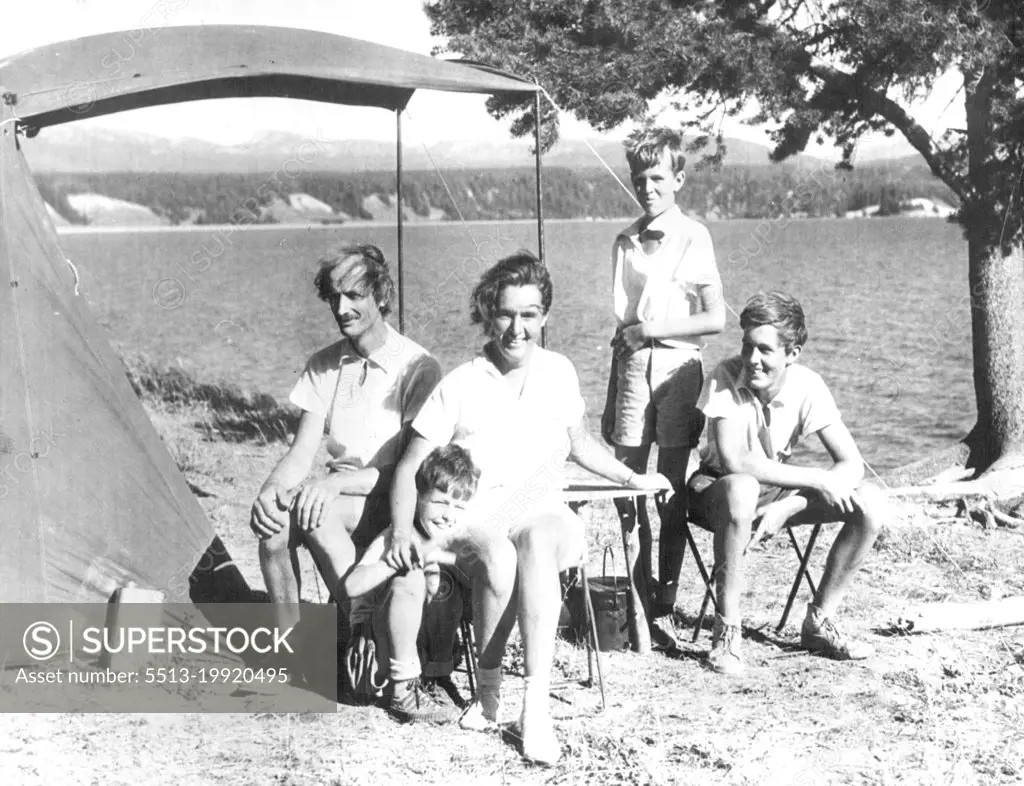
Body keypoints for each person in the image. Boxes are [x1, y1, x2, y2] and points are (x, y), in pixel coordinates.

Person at [385, 251, 672, 765]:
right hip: (481, 524)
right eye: (505, 314)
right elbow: (409, 466)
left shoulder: (559, 371)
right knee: (501, 546)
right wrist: (405, 530)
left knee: (535, 538)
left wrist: (634, 477)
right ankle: (490, 691)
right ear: (487, 313)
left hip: (546, 517)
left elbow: (581, 446)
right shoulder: (461, 382)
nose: (517, 328)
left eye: (530, 314)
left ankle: (533, 710)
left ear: (545, 317)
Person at [689, 291, 886, 675]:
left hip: (774, 492)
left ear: (792, 353)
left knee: (871, 501)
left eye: (764, 350)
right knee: (742, 487)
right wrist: (814, 479)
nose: (752, 359)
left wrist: (790, 504)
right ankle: (727, 633)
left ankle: (819, 622)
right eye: (747, 346)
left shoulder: (808, 385)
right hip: (715, 490)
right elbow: (734, 461)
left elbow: (851, 464)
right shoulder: (726, 376)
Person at [249, 244, 442, 633]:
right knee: (274, 524)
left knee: (314, 509)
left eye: (354, 296)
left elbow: (411, 470)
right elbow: (302, 451)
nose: (341, 310)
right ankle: (293, 641)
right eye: (334, 298)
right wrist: (270, 491)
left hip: (392, 502)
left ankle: (363, 627)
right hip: (341, 498)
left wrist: (333, 483)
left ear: (382, 296)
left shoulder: (418, 367)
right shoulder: (324, 364)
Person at [602, 125, 726, 641]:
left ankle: (666, 600)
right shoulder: (626, 241)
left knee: (669, 491)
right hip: (631, 368)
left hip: (677, 370)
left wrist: (651, 329)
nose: (646, 187)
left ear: (677, 179)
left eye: (657, 177)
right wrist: (613, 391)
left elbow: (715, 318)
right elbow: (621, 328)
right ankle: (637, 595)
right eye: (639, 177)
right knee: (627, 489)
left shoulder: (694, 235)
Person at [344, 444, 480, 723]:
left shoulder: (453, 536)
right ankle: (403, 690)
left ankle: (434, 679)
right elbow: (351, 587)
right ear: (418, 498)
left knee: (451, 581)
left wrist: (447, 561)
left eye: (458, 507)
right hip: (377, 657)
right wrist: (397, 562)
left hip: (427, 651)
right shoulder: (398, 537)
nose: (448, 515)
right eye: (440, 502)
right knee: (411, 577)